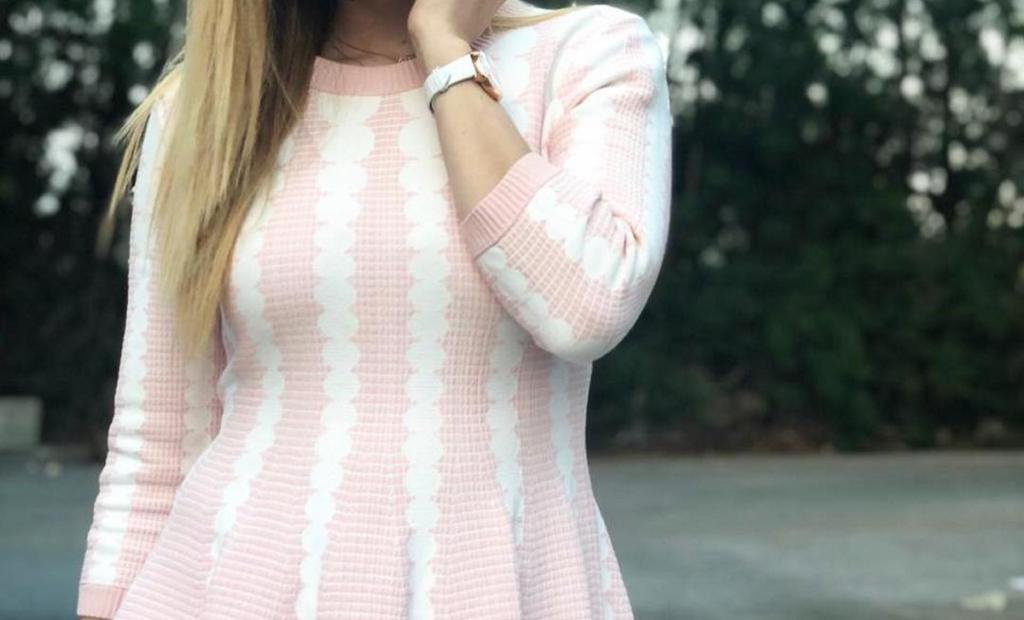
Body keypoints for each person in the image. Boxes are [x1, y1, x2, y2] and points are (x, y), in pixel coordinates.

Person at [76, 0, 671, 617]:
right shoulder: (209, 104)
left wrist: (444, 51)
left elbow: (585, 309)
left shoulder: (588, 54)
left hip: (501, 591)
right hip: (225, 590)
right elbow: (158, 444)